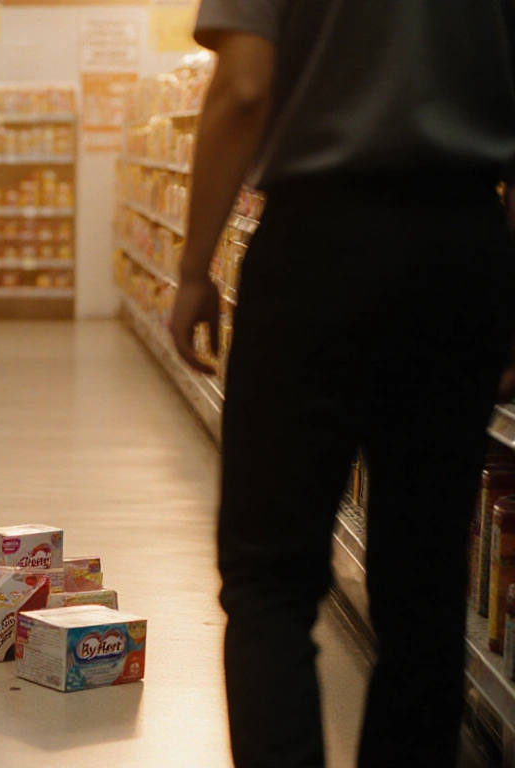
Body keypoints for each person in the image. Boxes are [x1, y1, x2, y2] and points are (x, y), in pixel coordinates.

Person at [169, 2, 515, 766]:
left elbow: (245, 88)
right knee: (423, 589)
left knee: (270, 577)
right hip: (463, 249)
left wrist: (195, 269)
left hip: (315, 248)